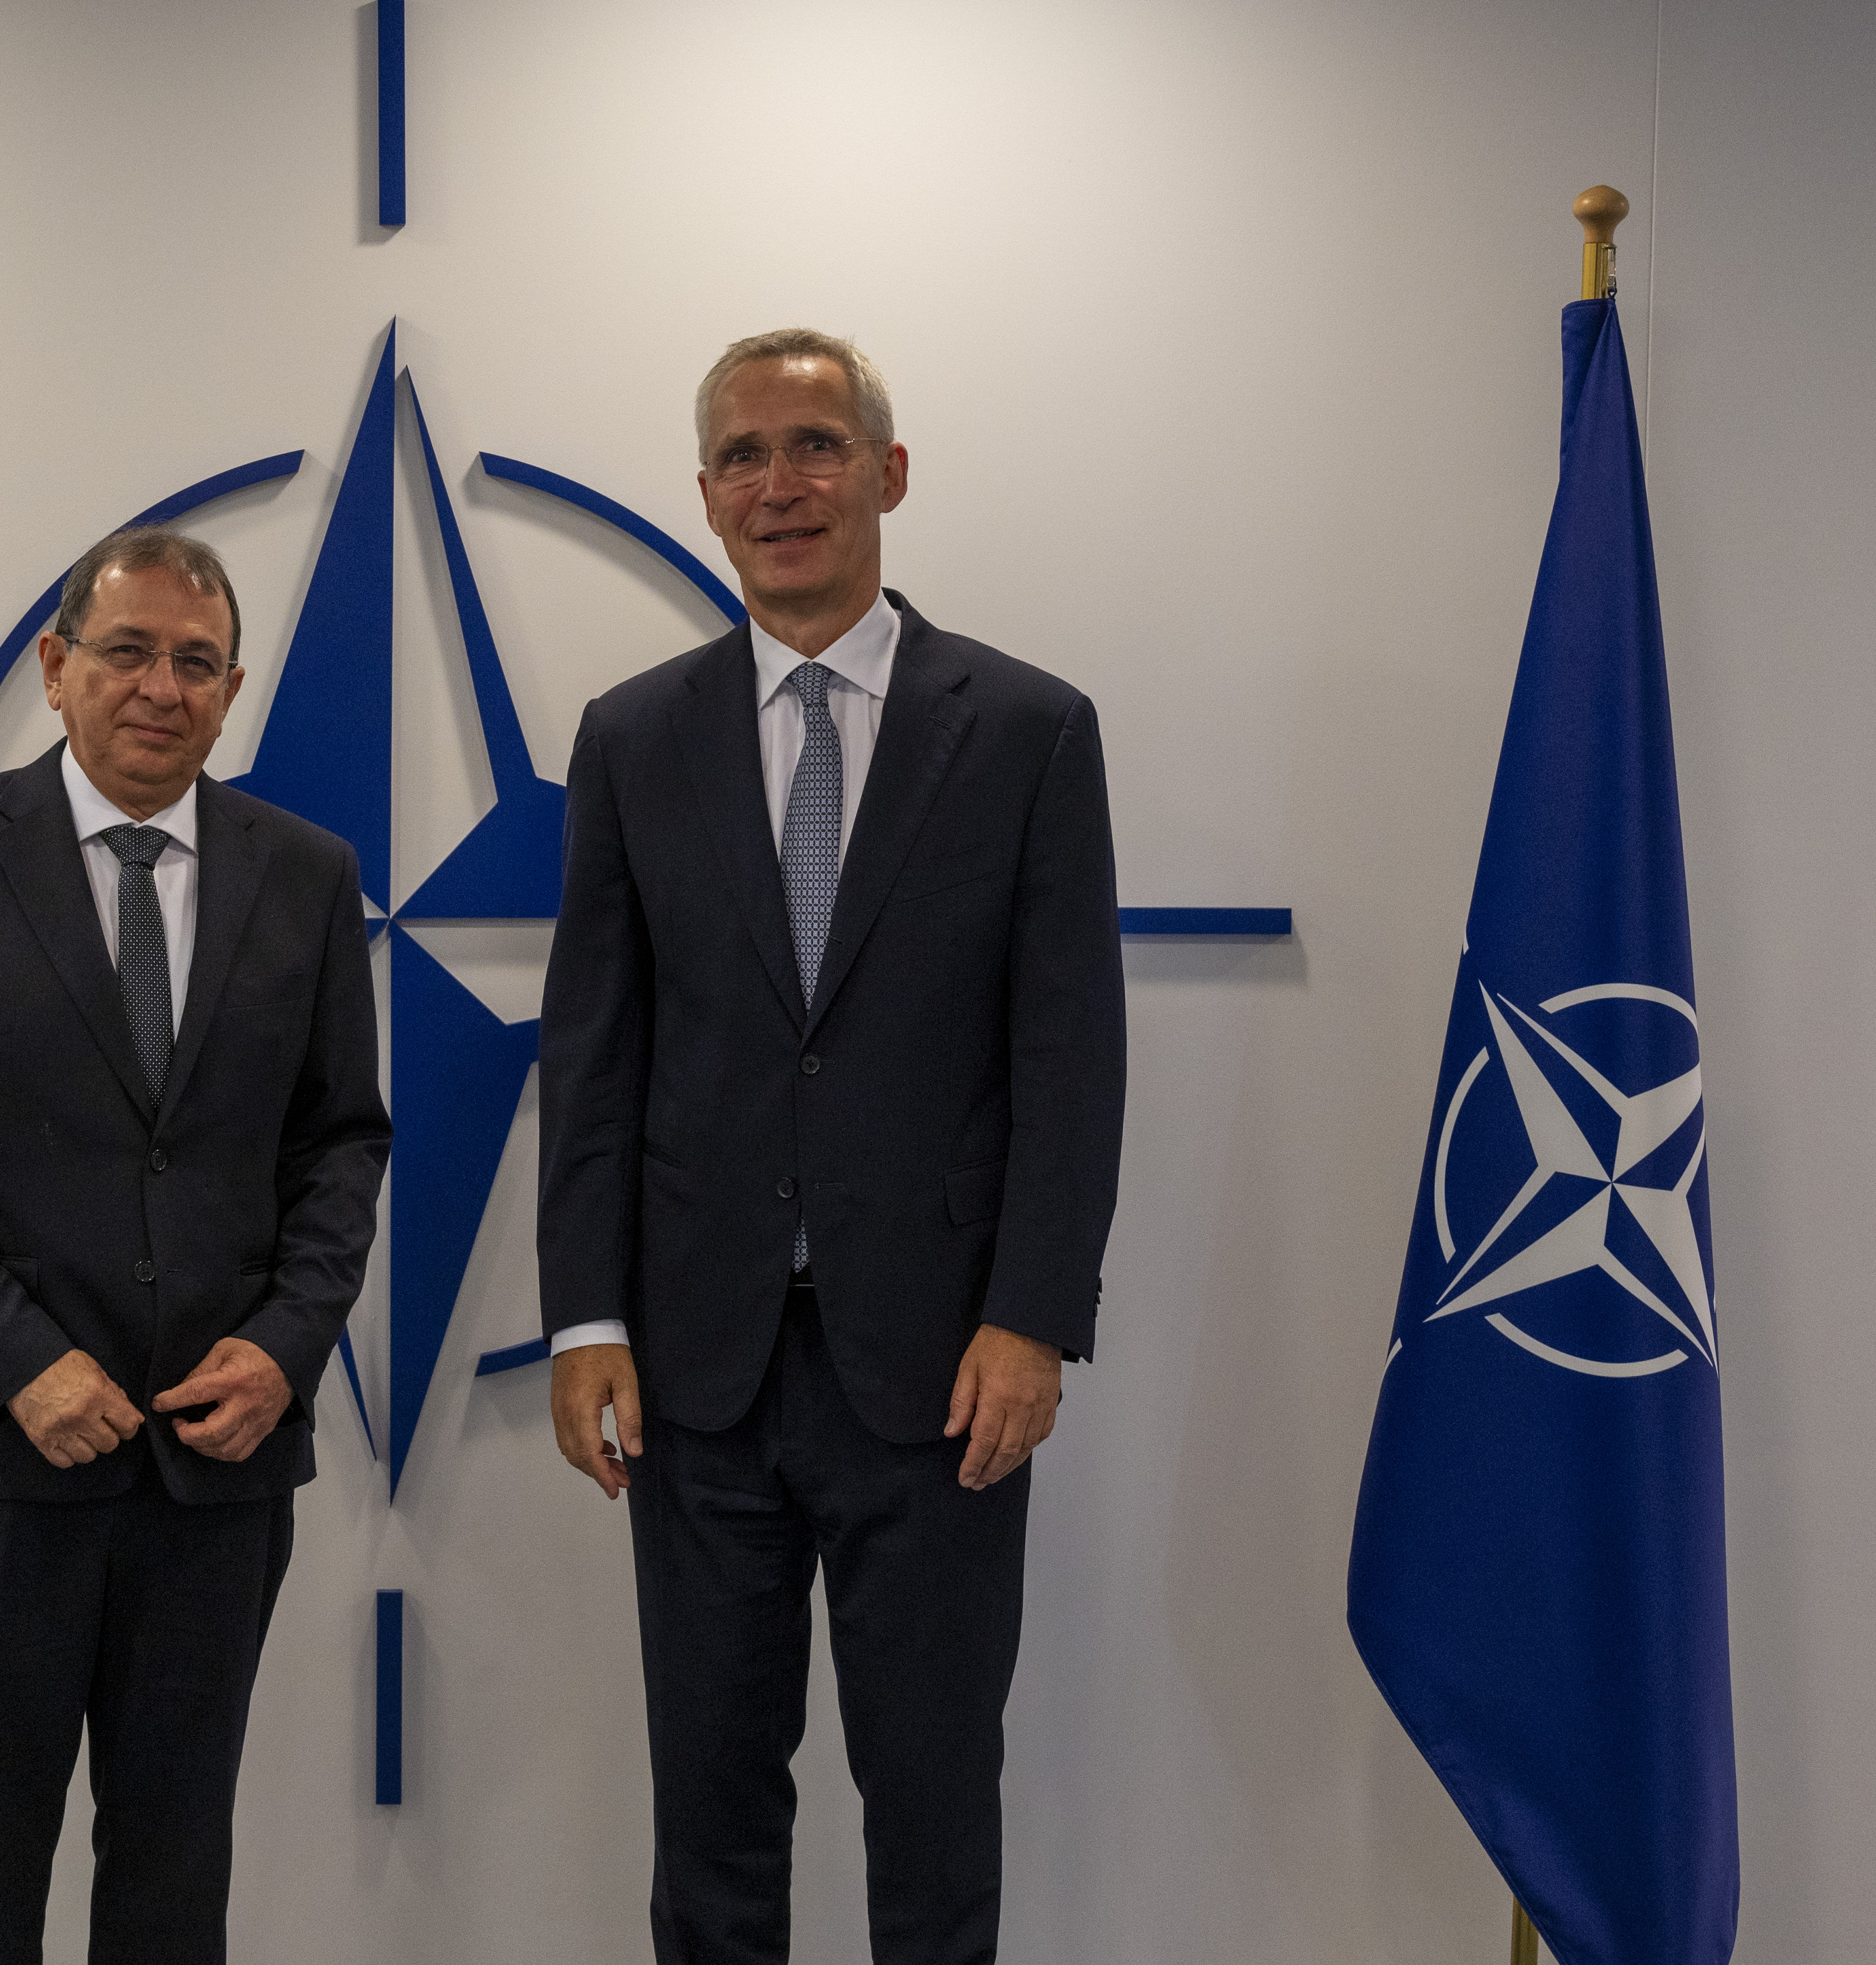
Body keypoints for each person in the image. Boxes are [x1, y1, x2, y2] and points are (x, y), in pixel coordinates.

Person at [536, 329, 1126, 1964]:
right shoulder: (631, 735)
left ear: (888, 471)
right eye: (742, 455)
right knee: (712, 1815)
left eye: (811, 444)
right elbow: (592, 1056)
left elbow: (1069, 1056)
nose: (777, 485)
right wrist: (585, 1315)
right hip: (694, 1375)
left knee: (934, 1806)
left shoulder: (1022, 728)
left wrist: (1033, 1314)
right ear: (707, 497)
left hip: (940, 1373)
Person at [0, 526, 388, 1965]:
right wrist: (20, 1361)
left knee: (172, 1878)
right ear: (55, 665)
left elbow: (341, 1143)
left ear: (234, 686)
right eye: (128, 651)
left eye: (196, 663)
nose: (161, 687)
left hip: (214, 1466)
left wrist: (283, 1349)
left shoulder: (307, 874)